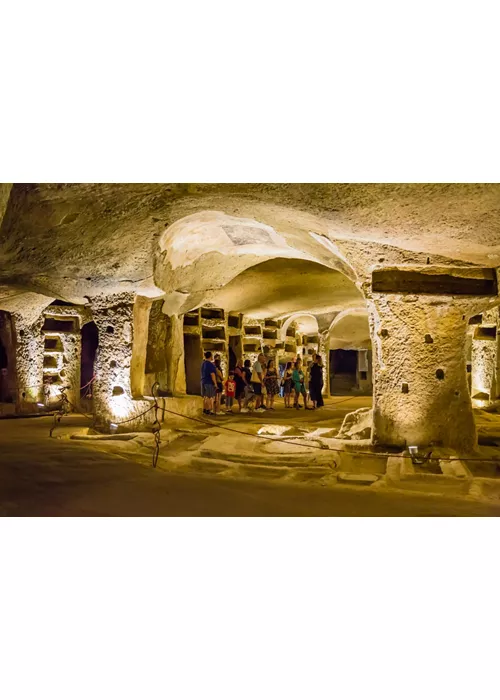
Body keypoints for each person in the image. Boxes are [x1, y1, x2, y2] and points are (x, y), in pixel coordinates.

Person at [200, 350, 217, 415]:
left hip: (203, 381)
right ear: (210, 356)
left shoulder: (203, 364)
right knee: (209, 397)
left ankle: (205, 409)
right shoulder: (210, 365)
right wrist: (215, 384)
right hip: (209, 382)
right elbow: (212, 375)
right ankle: (209, 409)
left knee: (204, 396)